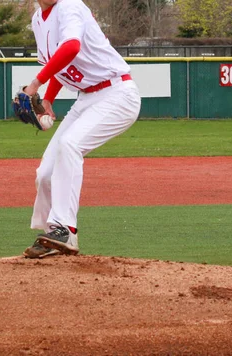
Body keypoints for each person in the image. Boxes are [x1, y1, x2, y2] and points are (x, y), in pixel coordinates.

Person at [22, 0, 141, 258]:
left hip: (117, 93)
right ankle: (53, 237)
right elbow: (60, 63)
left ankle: (65, 229)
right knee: (46, 173)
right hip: (86, 98)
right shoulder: (37, 20)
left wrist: (35, 84)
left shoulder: (70, 6)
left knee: (70, 145)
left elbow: (71, 48)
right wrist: (48, 99)